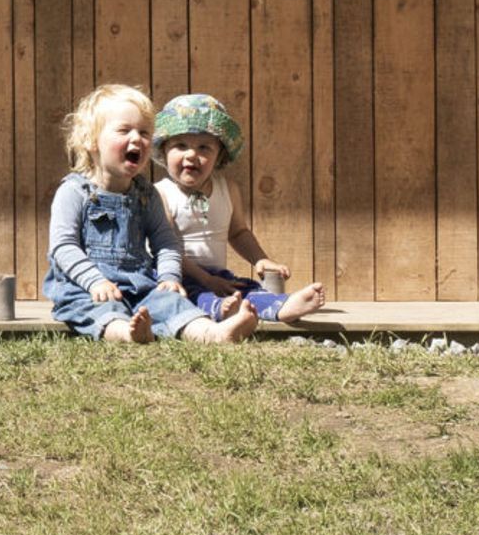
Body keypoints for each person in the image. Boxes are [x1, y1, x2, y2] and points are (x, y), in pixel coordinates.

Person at [44, 84, 247, 345]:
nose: (137, 138)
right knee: (103, 311)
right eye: (124, 130)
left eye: (144, 132)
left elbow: (166, 241)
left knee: (172, 303)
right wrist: (95, 282)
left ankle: (212, 332)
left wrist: (169, 278)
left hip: (140, 283)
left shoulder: (145, 193)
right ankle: (127, 333)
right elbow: (63, 247)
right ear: (90, 140)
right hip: (86, 288)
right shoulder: (74, 192)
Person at [151, 93, 327, 328]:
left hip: (216, 274)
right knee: (190, 295)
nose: (191, 154)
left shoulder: (227, 190)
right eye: (180, 145)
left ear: (220, 155)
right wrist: (205, 279)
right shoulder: (161, 194)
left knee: (245, 288)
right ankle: (219, 310)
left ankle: (281, 307)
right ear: (163, 152)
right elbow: (166, 249)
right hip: (175, 277)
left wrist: (260, 260)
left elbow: (238, 233)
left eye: (204, 147)